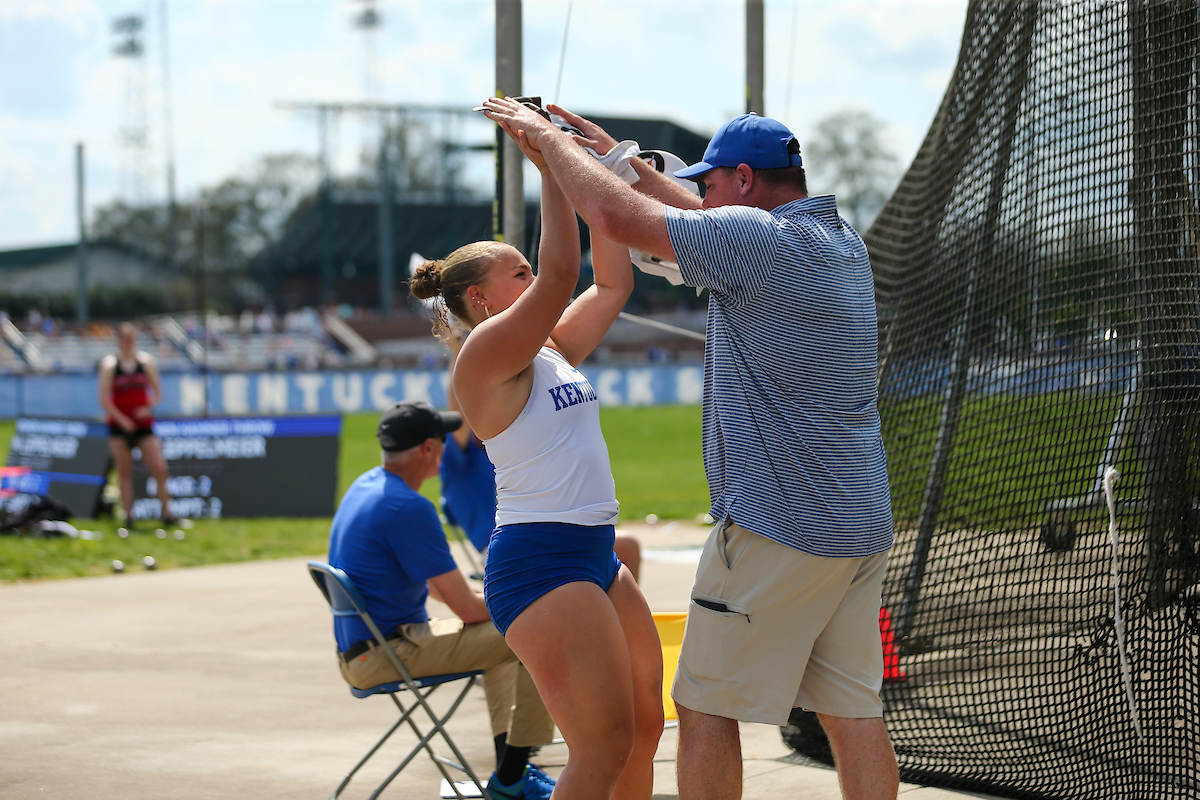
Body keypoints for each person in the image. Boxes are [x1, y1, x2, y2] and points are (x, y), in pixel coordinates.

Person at [479, 98, 899, 800]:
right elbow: (696, 221)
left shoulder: (758, 241)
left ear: (742, 180)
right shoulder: (837, 240)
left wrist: (553, 148)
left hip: (777, 523)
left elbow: (617, 221)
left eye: (710, 182)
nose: (701, 193)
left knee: (704, 706)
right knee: (853, 712)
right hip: (858, 521)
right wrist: (622, 161)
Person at [409, 115, 664, 800]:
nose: (533, 276)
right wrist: (552, 166)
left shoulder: (546, 348)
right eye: (514, 272)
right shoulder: (484, 357)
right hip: (542, 560)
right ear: (482, 301)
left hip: (592, 550)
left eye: (527, 267)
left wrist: (597, 177)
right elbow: (559, 274)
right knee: (601, 744)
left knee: (645, 726)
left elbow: (611, 285)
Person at [327, 400, 557, 800]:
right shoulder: (408, 507)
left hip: (364, 649)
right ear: (427, 450)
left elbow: (436, 585)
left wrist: (496, 608)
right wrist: (524, 602)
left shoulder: (367, 486)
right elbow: (466, 609)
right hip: (385, 652)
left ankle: (513, 770)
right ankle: (514, 774)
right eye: (442, 440)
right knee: (537, 635)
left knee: (503, 634)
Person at [440, 327, 643, 581]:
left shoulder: (505, 444)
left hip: (536, 531)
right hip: (509, 542)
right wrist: (457, 350)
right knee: (620, 548)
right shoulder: (459, 459)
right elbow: (457, 414)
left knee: (624, 547)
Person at [97, 321, 176, 527]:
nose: (128, 343)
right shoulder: (110, 365)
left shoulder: (145, 362)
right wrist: (122, 419)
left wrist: (147, 408)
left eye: (131, 339)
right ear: (119, 341)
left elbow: (157, 393)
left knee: (159, 468)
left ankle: (168, 513)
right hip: (119, 426)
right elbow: (104, 399)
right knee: (124, 470)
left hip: (143, 424)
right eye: (125, 339)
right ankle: (128, 516)